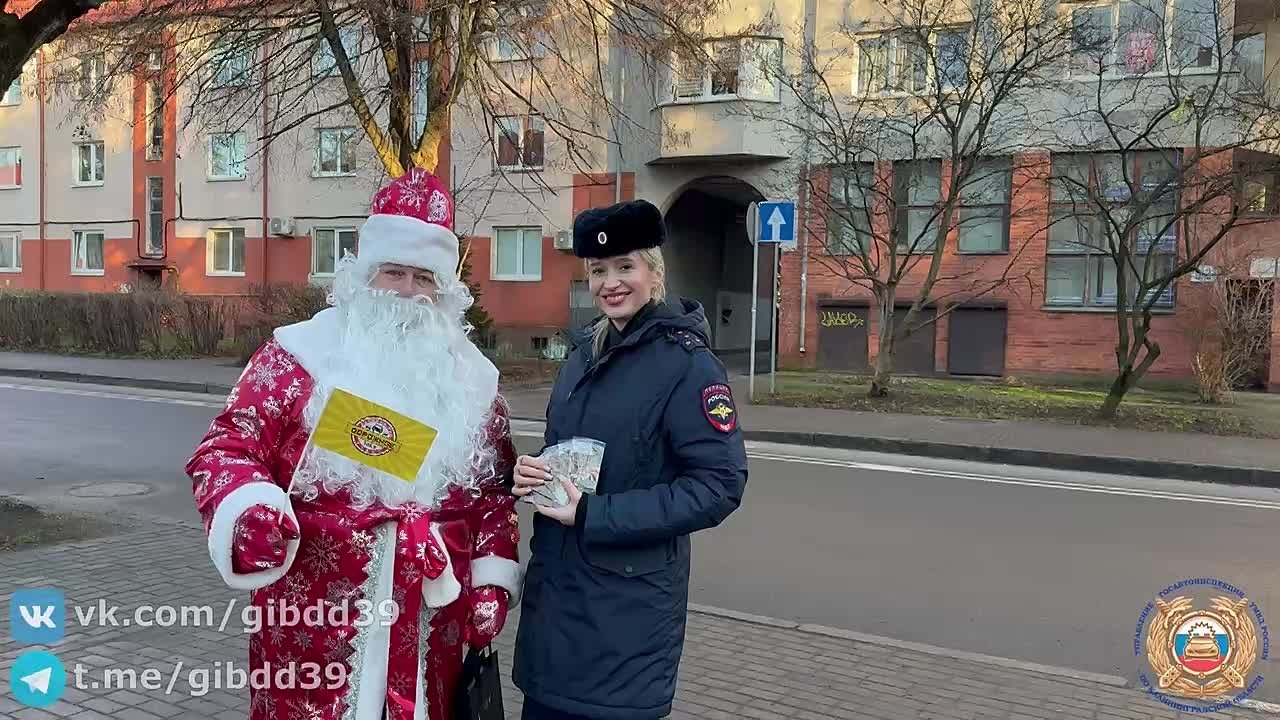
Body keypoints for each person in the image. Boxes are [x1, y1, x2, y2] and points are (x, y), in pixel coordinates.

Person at [185, 168, 522, 720]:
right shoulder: (299, 356)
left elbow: (492, 495)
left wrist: (491, 580)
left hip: (427, 627)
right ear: (366, 274)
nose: (409, 292)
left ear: (445, 288)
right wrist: (249, 509)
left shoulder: (475, 382)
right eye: (394, 272)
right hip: (314, 624)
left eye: (424, 276)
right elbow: (228, 447)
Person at [510, 199, 749, 719]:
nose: (610, 282)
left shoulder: (688, 365)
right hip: (556, 612)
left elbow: (719, 485)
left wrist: (596, 514)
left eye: (625, 267)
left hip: (626, 624)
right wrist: (532, 470)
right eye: (599, 271)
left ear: (654, 274)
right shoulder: (580, 359)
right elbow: (568, 452)